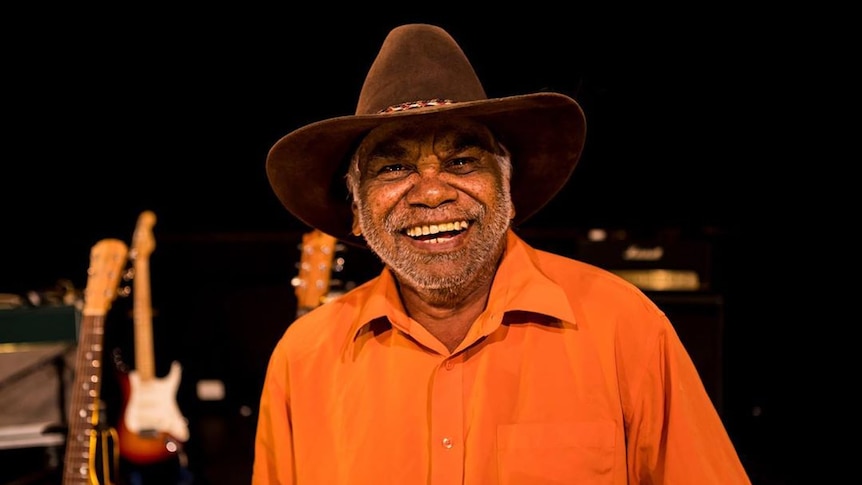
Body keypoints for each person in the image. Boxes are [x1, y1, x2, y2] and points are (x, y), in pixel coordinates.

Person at [253, 23, 751, 484]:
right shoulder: (302, 360)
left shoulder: (624, 328)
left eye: (463, 160)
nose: (431, 193)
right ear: (357, 212)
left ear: (508, 190)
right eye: (392, 169)